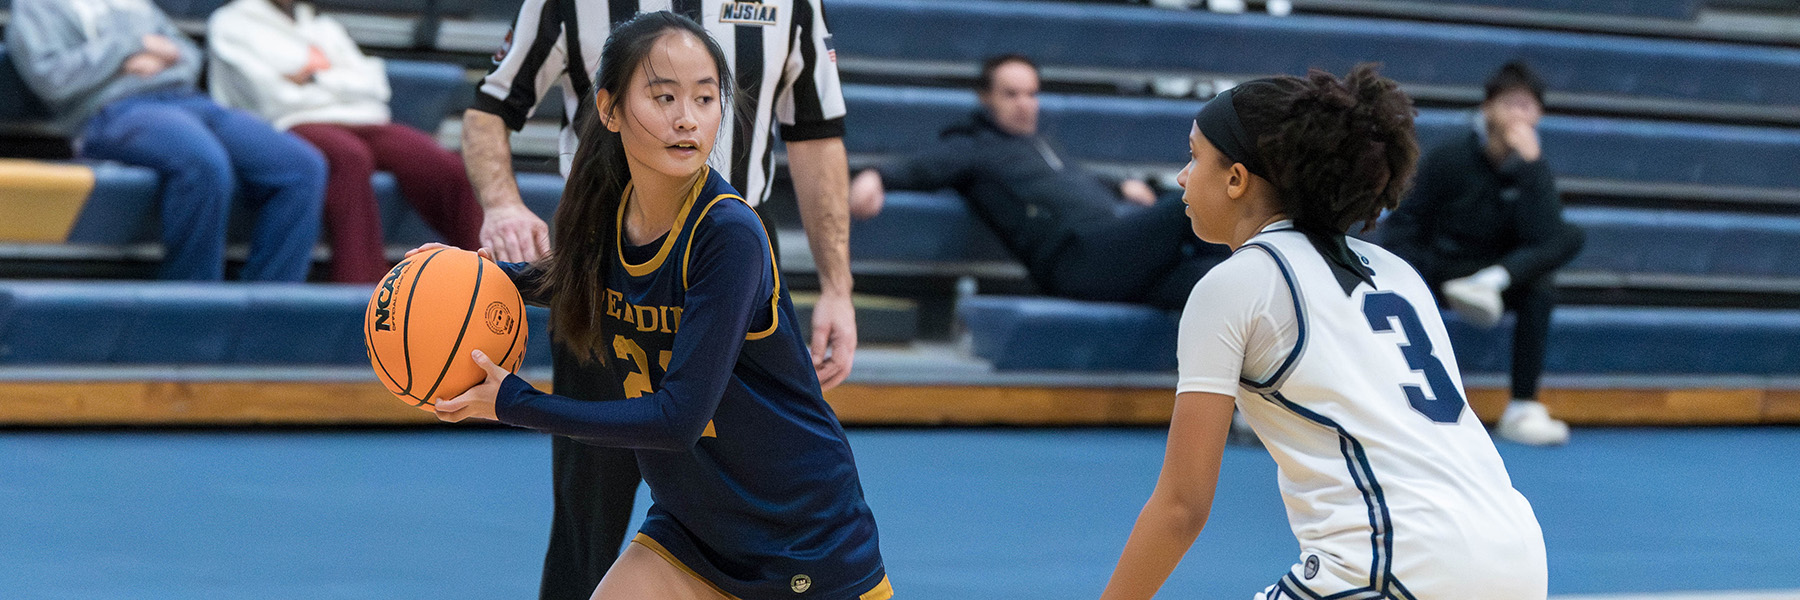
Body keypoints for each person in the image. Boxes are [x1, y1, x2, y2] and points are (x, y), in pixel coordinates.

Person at [417, 13, 890, 600]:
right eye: (663, 97)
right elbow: (571, 280)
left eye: (704, 98)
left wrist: (514, 402)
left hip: (798, 538)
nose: (687, 118)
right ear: (610, 109)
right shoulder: (614, 209)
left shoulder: (729, 234)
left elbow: (676, 420)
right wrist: (457, 276)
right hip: (693, 530)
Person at [1100, 65, 1547, 600]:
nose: (1180, 177)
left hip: (1396, 562)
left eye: (1194, 156)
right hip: (1517, 550)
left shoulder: (1237, 284)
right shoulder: (1395, 271)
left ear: (1236, 179)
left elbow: (1181, 506)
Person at [849, 54, 1227, 309]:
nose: (1024, 103)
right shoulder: (973, 147)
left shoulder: (1040, 142)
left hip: (1114, 251)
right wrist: (874, 176)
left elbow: (1069, 181)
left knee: (1214, 284)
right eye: (1010, 94)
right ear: (986, 98)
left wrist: (1118, 186)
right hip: (1078, 260)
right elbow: (919, 166)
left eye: (1031, 93)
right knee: (1194, 197)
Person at [6, 0, 325, 282]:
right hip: (111, 111)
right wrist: (132, 45)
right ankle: (194, 303)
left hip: (186, 100)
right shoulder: (36, 8)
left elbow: (187, 55)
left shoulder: (135, 4)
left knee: (302, 166)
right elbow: (52, 78)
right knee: (203, 160)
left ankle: (267, 308)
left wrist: (154, 58)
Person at [205, 0, 483, 283]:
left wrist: (311, 77)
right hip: (287, 124)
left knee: (444, 166)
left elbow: (375, 85)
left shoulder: (323, 26)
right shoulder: (231, 23)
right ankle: (364, 287)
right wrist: (337, 80)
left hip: (362, 118)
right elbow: (273, 99)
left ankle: (483, 274)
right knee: (349, 157)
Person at [1379, 61, 1583, 446]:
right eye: (1510, 104)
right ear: (1487, 107)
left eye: (1527, 107)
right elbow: (1406, 223)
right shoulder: (1450, 158)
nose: (1517, 115)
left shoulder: (1532, 168)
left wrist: (1532, 168)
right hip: (1442, 269)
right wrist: (1410, 274)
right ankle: (1394, 404)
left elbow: (1548, 238)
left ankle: (1522, 407)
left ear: (1539, 115)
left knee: (1559, 254)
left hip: (1494, 276)